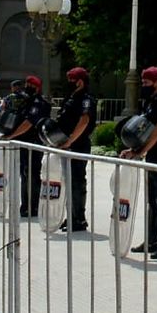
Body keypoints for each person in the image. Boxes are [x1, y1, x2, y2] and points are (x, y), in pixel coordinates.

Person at [122, 65, 157, 258]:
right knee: (152, 201)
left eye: (146, 82)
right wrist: (135, 150)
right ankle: (152, 240)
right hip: (153, 155)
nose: (143, 85)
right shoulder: (151, 102)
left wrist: (140, 152)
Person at [0, 75, 48, 216]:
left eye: (30, 84)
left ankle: (33, 207)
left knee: (32, 174)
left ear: (37, 87)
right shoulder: (26, 101)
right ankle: (25, 206)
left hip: (33, 142)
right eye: (26, 83)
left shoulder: (38, 103)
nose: (27, 86)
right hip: (23, 142)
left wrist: (11, 136)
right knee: (25, 174)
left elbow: (28, 123)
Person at [56, 66, 95, 231]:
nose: (69, 83)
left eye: (72, 80)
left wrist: (70, 141)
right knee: (69, 181)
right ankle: (71, 216)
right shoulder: (71, 97)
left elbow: (84, 121)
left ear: (80, 81)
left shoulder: (86, 99)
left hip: (78, 145)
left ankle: (79, 219)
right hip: (67, 144)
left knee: (77, 182)